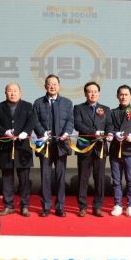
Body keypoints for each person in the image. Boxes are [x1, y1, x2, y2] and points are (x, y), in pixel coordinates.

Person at [33, 74, 74, 217]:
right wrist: (42, 132)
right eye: (49, 84)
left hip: (61, 145)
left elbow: (70, 121)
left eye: (55, 84)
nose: (52, 86)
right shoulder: (38, 102)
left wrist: (67, 132)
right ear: (45, 86)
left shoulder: (67, 103)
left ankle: (60, 207)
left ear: (59, 86)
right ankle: (45, 206)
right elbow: (35, 121)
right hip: (45, 145)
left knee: (60, 177)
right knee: (45, 176)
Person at [0, 83, 36, 217]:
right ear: (5, 93)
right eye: (9, 91)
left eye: (15, 91)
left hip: (23, 147)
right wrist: (3, 132)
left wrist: (25, 132)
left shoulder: (28, 106)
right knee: (7, 178)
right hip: (6, 147)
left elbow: (32, 121)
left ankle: (24, 206)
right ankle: (8, 205)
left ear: (20, 92)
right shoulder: (0, 106)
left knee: (24, 179)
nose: (12, 93)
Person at [106, 85, 131, 218]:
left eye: (126, 94)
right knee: (116, 180)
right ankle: (117, 204)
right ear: (117, 96)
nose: (123, 97)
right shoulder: (112, 112)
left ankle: (130, 205)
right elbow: (109, 128)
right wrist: (114, 134)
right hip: (115, 150)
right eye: (121, 94)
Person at [73, 81, 110, 217]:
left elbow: (109, 125)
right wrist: (94, 132)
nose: (93, 94)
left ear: (98, 93)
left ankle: (98, 206)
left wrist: (109, 133)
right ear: (85, 94)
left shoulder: (105, 109)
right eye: (90, 91)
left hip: (100, 147)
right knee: (83, 178)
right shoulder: (78, 108)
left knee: (99, 178)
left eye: (95, 91)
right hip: (85, 146)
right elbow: (77, 124)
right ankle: (82, 206)